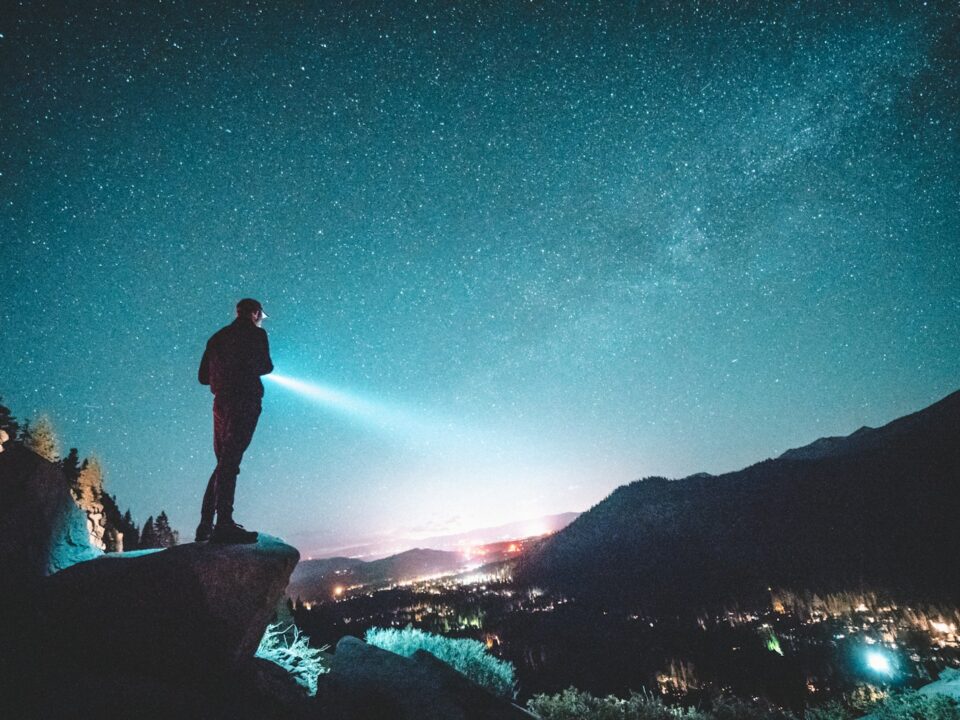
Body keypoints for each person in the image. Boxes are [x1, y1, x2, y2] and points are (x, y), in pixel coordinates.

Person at [197, 298, 273, 543]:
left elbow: (202, 378)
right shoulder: (255, 334)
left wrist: (223, 374)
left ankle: (206, 525)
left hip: (221, 403)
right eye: (260, 315)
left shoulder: (216, 338)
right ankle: (224, 525)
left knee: (223, 461)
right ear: (254, 313)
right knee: (231, 460)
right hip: (245, 399)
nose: (260, 319)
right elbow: (266, 366)